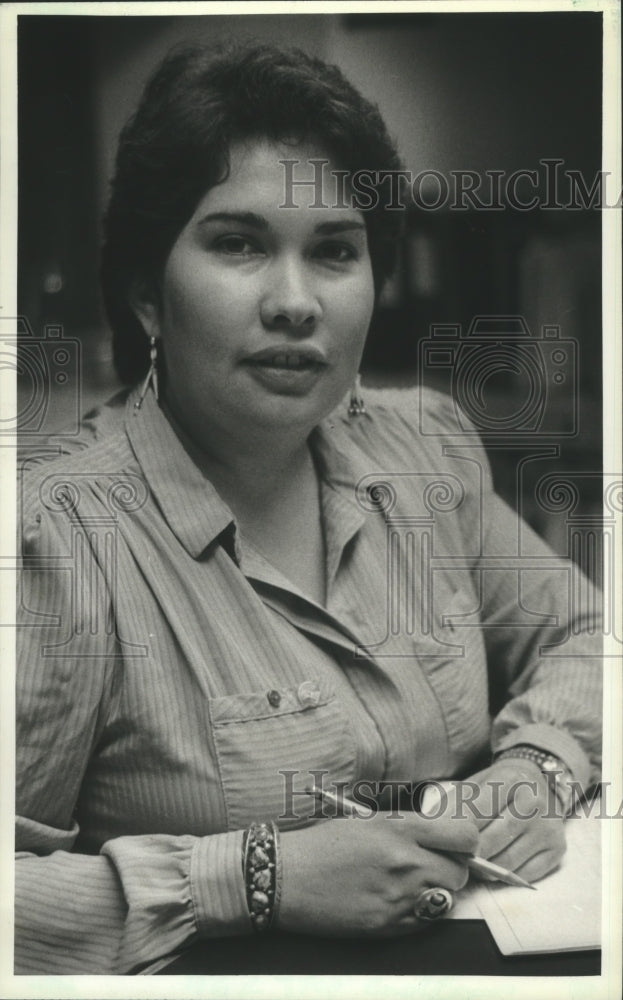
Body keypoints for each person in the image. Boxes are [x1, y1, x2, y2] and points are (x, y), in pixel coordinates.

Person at [15, 42, 602, 974]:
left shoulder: (426, 447)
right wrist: (258, 878)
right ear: (145, 296)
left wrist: (537, 766)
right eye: (238, 243)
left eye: (334, 251)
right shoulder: (56, 537)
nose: (295, 303)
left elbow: (585, 635)